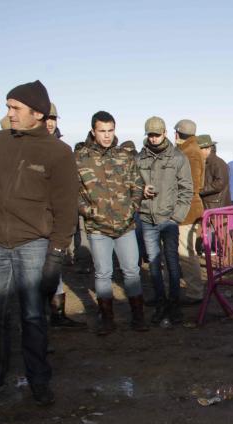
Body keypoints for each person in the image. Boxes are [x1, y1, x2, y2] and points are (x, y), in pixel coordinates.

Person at [0, 81, 79, 405]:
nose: (9, 114)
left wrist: (56, 255)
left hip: (33, 243)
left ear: (37, 113)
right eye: (7, 107)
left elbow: (66, 208)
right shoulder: (0, 142)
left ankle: (39, 381)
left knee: (32, 315)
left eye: (15, 108)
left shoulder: (58, 152)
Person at [76, 111, 148, 335]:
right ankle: (107, 319)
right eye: (102, 131)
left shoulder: (124, 156)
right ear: (93, 131)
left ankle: (138, 317)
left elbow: (137, 185)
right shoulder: (80, 158)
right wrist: (90, 212)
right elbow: (71, 192)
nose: (107, 136)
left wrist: (132, 207)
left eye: (110, 131)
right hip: (98, 228)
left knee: (132, 272)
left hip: (125, 226)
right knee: (103, 274)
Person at [136, 116, 194, 325]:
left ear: (165, 134)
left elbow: (186, 190)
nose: (153, 139)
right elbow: (132, 186)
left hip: (169, 220)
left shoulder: (178, 158)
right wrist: (140, 192)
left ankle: (174, 304)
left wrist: (176, 217)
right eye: (150, 135)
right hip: (147, 218)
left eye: (156, 134)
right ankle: (161, 303)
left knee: (172, 263)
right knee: (153, 265)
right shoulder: (139, 158)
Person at [44, 102, 86, 330]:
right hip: (31, 222)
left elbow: (69, 187)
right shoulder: (24, 147)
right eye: (45, 118)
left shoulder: (62, 150)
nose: (50, 123)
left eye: (53, 119)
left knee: (54, 269)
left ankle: (57, 315)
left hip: (56, 220)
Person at [174, 119, 205, 304]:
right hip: (191, 207)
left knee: (186, 253)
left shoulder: (188, 153)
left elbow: (191, 186)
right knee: (188, 251)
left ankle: (195, 292)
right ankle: (195, 290)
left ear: (177, 134)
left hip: (187, 209)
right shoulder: (194, 150)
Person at [198, 135, 231, 210]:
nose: (197, 152)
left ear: (208, 149)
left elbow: (220, 183)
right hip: (211, 205)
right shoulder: (207, 162)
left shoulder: (218, 163)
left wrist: (200, 190)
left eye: (199, 149)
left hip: (216, 208)